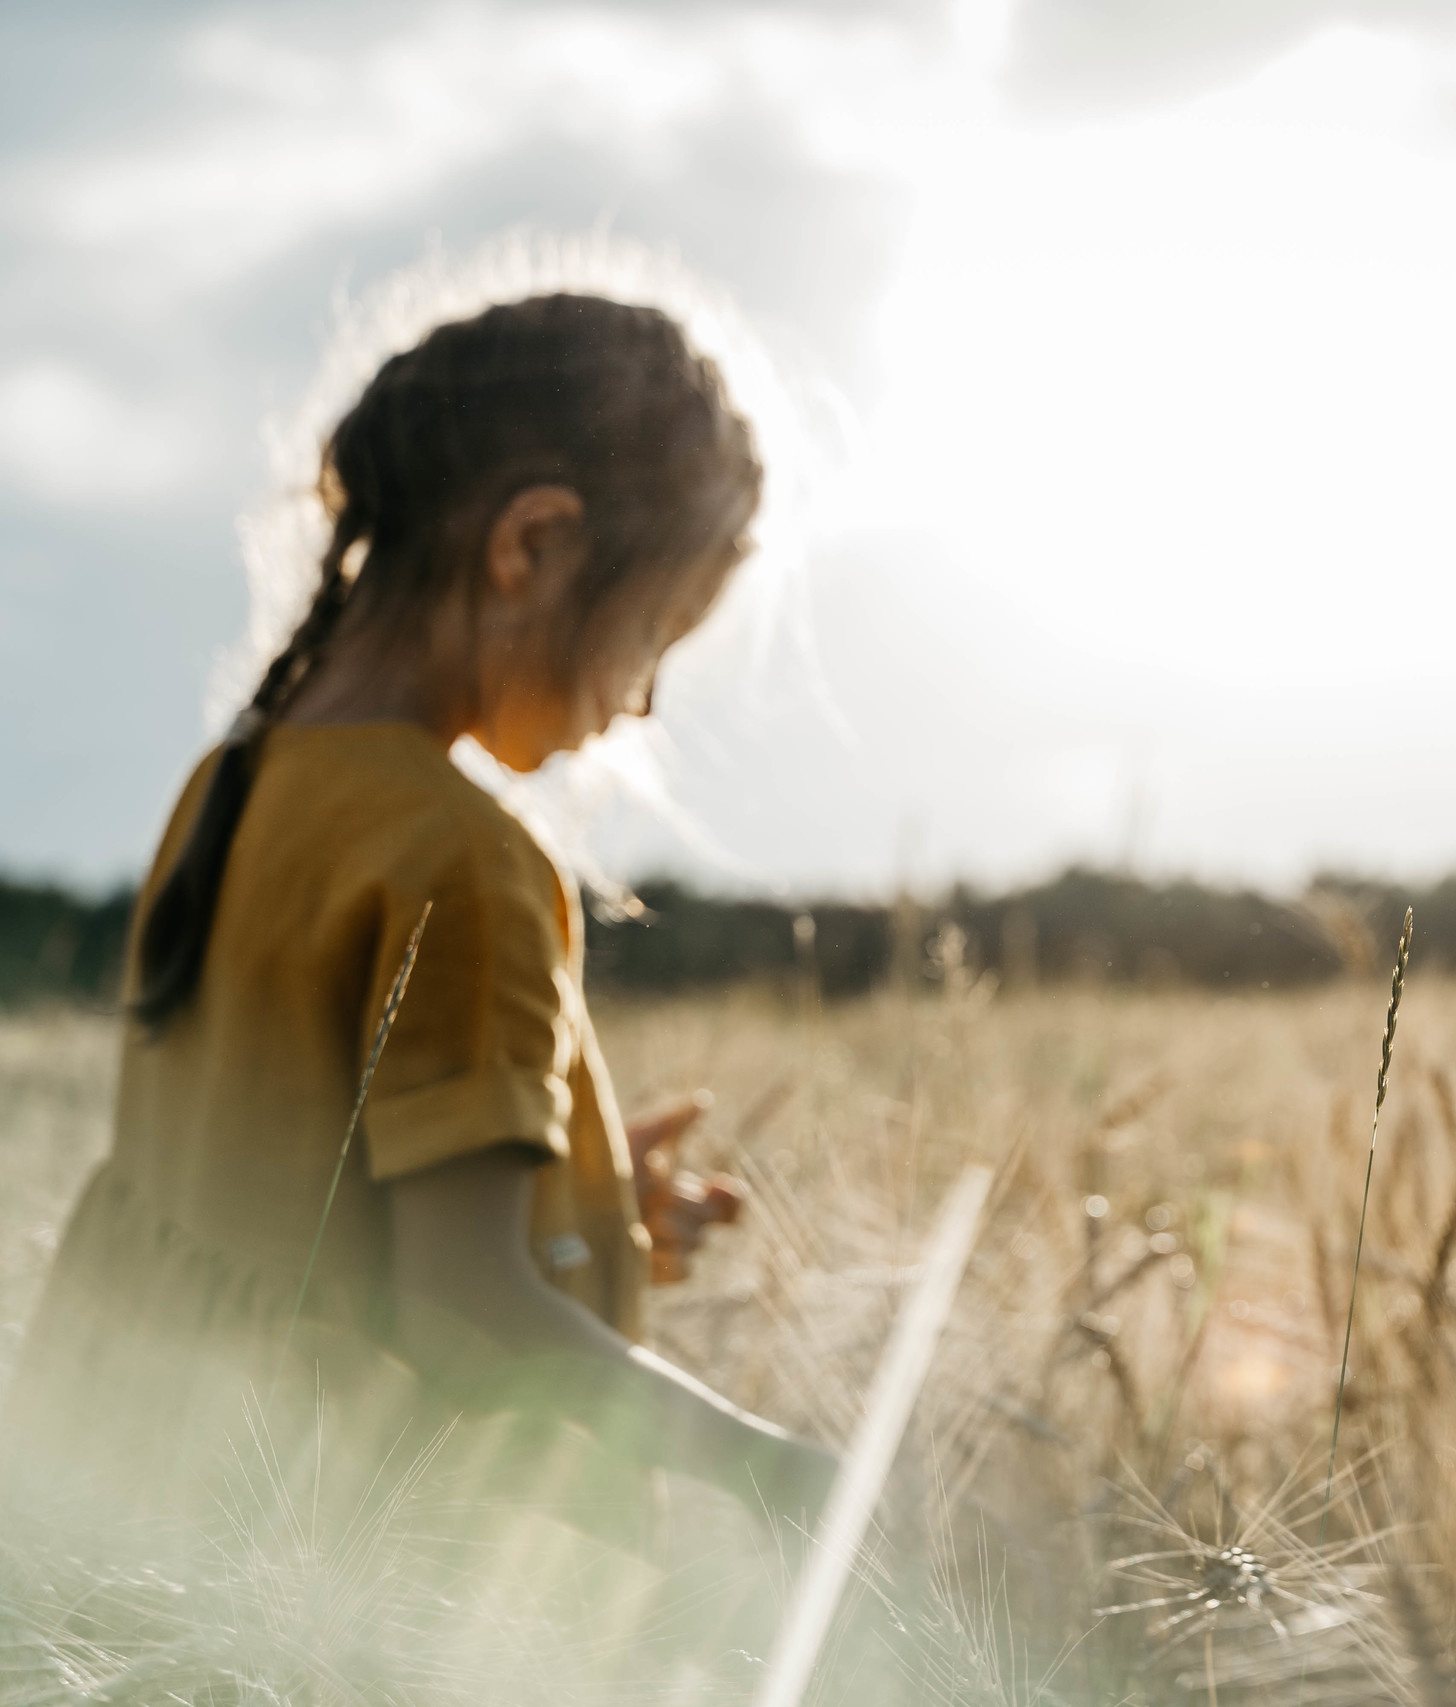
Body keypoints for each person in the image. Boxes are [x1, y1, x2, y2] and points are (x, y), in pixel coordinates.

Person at [0, 293, 838, 1551]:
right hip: (360, 1584)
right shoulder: (464, 859)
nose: (647, 700)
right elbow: (461, 1309)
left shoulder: (229, 783)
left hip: (144, 1512)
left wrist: (592, 1206)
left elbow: (290, 1189)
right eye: (656, 632)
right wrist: (771, 1469)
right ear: (533, 545)